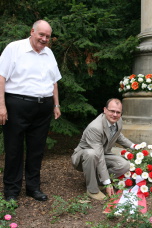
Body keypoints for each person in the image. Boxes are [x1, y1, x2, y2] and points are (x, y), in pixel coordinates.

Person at [0, 20, 62, 202]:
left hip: (43, 108)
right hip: (16, 105)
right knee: (14, 149)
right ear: (32, 31)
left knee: (37, 149)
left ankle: (33, 188)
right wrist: (1, 106)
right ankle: (11, 191)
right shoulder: (14, 48)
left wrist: (56, 104)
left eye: (47, 37)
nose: (44, 39)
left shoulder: (49, 53)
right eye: (41, 35)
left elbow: (54, 82)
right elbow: (1, 77)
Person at [72, 98, 136, 200]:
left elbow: (118, 136)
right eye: (112, 111)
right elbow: (99, 156)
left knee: (124, 165)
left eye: (118, 112)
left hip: (102, 153)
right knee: (91, 154)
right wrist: (108, 183)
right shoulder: (95, 127)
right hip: (84, 157)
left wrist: (134, 146)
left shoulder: (118, 121)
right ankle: (92, 190)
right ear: (105, 110)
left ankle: (98, 181)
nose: (115, 114)